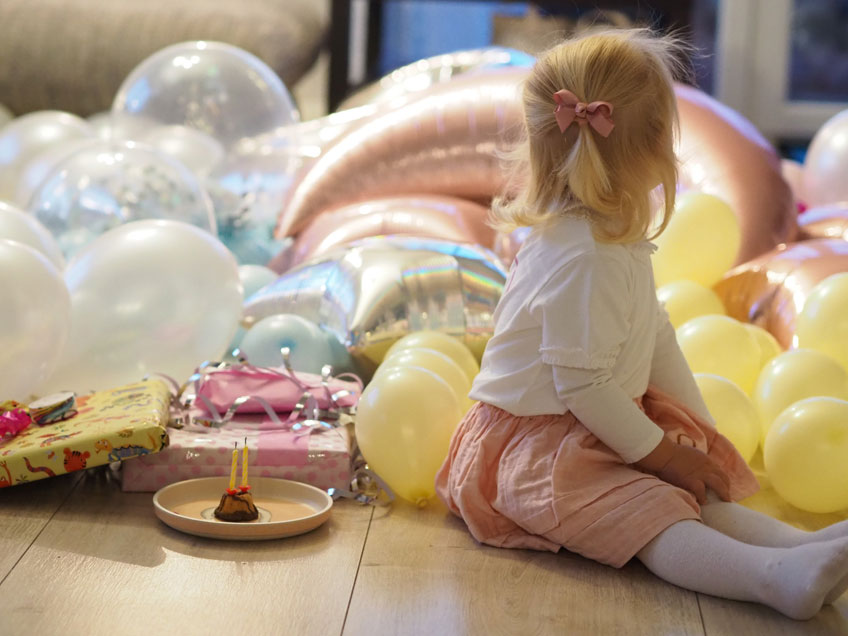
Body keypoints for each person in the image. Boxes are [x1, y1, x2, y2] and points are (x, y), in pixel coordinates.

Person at [435, 27, 848, 621]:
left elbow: (653, 333)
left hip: (585, 424)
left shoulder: (612, 236)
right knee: (650, 513)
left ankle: (796, 549)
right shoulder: (583, 256)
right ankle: (770, 577)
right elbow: (582, 384)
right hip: (530, 449)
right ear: (652, 148)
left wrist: (697, 431)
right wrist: (661, 456)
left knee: (688, 489)